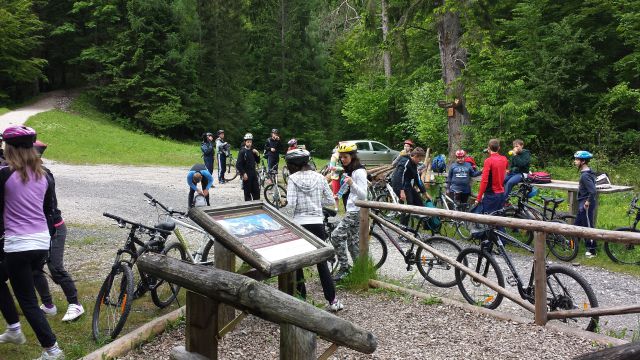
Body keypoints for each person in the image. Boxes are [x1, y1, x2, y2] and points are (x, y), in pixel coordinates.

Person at [0, 125, 64, 359]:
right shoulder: (44, 175)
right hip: (40, 242)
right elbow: (48, 210)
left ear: (11, 149)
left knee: (27, 301)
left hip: (18, 244)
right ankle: (13, 329)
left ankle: (52, 349)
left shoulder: (5, 174)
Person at [31, 141, 84, 322]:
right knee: (35, 269)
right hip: (38, 229)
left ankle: (75, 304)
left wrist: (50, 230)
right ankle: (48, 305)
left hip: (54, 228)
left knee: (55, 267)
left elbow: (49, 208)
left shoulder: (44, 176)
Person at [285, 148, 344, 311]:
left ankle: (301, 298)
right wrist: (315, 203)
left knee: (298, 262)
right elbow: (329, 199)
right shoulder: (319, 177)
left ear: (294, 164)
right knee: (321, 263)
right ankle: (333, 301)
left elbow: (291, 205)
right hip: (317, 223)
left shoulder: (292, 179)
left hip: (299, 224)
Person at [330, 142, 368, 281]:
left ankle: (345, 268)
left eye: (345, 157)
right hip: (351, 210)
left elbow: (364, 195)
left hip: (356, 211)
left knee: (336, 236)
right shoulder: (349, 169)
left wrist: (352, 183)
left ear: (352, 156)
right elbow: (347, 189)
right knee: (353, 243)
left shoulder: (359, 171)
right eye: (341, 157)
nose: (342, 159)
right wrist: (337, 195)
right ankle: (360, 272)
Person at [391, 147, 430, 226]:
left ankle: (424, 224)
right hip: (398, 185)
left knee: (419, 202)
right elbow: (399, 176)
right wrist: (401, 191)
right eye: (419, 159)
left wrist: (425, 193)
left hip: (407, 185)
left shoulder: (414, 164)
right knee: (408, 206)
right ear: (415, 156)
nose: (420, 161)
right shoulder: (405, 161)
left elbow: (417, 179)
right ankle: (402, 229)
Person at [474, 139, 508, 215]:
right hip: (502, 193)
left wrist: (479, 197)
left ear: (488, 148)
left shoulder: (488, 161)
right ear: (499, 148)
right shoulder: (504, 159)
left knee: (490, 220)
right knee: (499, 218)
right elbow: (505, 169)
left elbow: (484, 181)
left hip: (491, 195)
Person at [573, 151, 597, 257]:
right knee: (576, 225)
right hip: (582, 203)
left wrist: (587, 201)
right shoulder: (587, 172)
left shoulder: (585, 176)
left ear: (583, 161)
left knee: (588, 227)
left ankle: (591, 250)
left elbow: (592, 191)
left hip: (586, 204)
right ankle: (573, 245)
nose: (575, 161)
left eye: (577, 160)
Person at [236, 133, 261, 201]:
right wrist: (243, 173)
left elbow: (258, 161)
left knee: (256, 191)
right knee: (247, 192)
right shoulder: (242, 151)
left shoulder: (253, 151)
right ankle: (248, 206)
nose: (249, 143)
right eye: (248, 142)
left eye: (250, 142)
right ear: (245, 142)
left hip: (253, 173)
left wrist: (257, 154)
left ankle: (257, 205)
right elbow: (238, 164)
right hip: (246, 174)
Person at [327, 143, 343, 210]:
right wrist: (341, 168)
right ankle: (336, 207)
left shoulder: (346, 155)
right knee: (336, 192)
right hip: (336, 176)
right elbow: (331, 167)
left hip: (345, 175)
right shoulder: (334, 156)